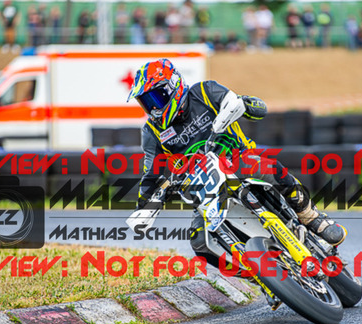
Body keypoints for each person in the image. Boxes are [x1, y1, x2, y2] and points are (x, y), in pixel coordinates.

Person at [126, 59, 348, 264]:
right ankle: (258, 275)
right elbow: (151, 173)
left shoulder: (204, 92)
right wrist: (144, 207)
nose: (153, 108)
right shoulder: (152, 131)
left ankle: (311, 218)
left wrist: (247, 105)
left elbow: (245, 104)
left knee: (269, 168)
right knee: (200, 242)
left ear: (173, 86)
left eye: (155, 98)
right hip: (203, 186)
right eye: (146, 102)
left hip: (237, 159)